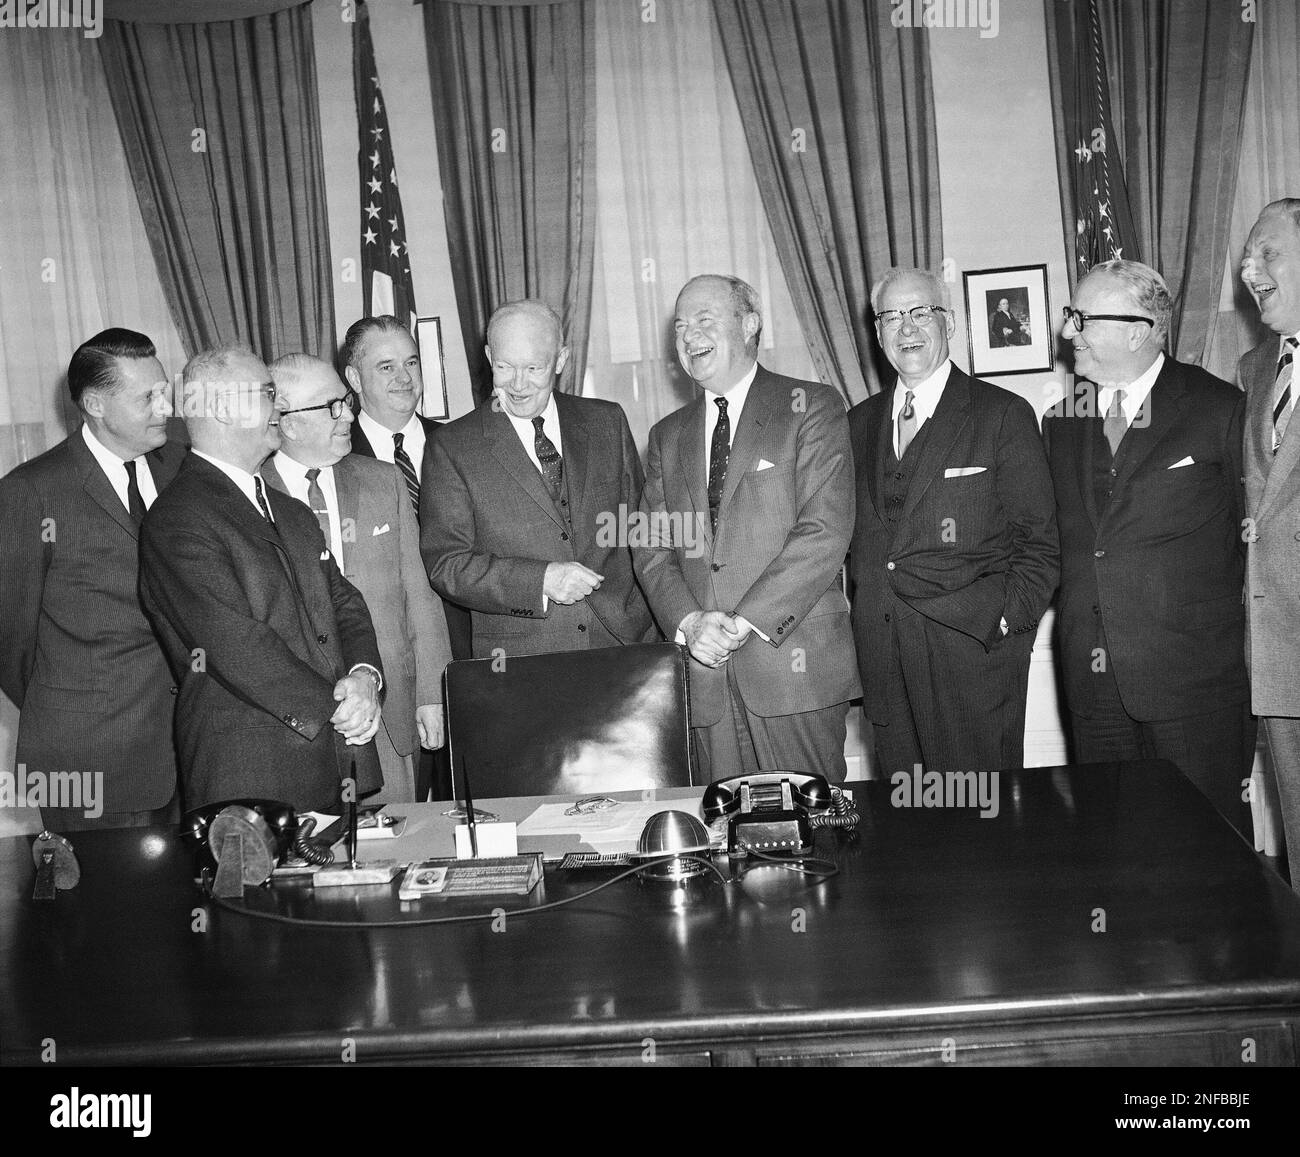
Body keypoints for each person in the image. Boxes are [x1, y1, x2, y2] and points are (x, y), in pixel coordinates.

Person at [1043, 260, 1252, 836]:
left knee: (1209, 853)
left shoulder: (1220, 409)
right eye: (1070, 316)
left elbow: (1252, 541)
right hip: (1093, 686)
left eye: (1081, 318)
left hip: (1195, 686)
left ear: (1138, 330)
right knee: (1115, 848)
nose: (1068, 332)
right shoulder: (1060, 422)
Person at [139, 345, 384, 813]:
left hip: (331, 761)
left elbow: (345, 605)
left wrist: (364, 676)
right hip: (251, 774)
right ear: (223, 408)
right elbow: (234, 642)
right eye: (267, 393)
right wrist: (340, 706)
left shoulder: (289, 511)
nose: (280, 407)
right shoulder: (177, 520)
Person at [634, 274, 860, 782]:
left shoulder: (813, 407)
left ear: (751, 324)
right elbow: (650, 548)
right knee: (722, 838)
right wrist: (691, 623)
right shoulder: (665, 436)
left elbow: (824, 530)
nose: (689, 336)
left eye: (704, 320)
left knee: (811, 834)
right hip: (704, 678)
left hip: (793, 672)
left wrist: (744, 621)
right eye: (680, 327)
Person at [849, 267, 1058, 777]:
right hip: (884, 661)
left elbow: (1040, 545)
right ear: (877, 334)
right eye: (892, 317)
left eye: (921, 313)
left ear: (951, 323)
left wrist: (1004, 621)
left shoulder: (1002, 414)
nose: (907, 328)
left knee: (981, 832)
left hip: (974, 659)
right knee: (910, 826)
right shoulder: (855, 423)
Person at [0, 328, 184, 830]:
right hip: (90, 761)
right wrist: (76, 702)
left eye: (164, 390)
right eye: (148, 396)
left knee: (187, 902)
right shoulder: (30, 492)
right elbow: (11, 641)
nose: (165, 406)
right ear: (96, 404)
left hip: (189, 749)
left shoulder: (181, 465)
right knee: (104, 907)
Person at [263, 354, 452, 803]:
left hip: (391, 710)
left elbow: (419, 594)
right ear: (286, 420)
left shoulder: (383, 481)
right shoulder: (253, 494)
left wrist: (431, 692)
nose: (348, 414)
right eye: (332, 406)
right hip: (299, 722)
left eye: (345, 402)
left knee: (404, 847)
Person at [423, 300, 654, 659]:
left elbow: (641, 532)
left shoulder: (606, 421)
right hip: (521, 663)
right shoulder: (451, 447)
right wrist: (541, 580)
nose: (517, 384)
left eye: (533, 367)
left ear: (561, 360)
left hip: (626, 645)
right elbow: (446, 564)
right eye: (504, 367)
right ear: (488, 356)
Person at [341, 313, 470, 800]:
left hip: (470, 654)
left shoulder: (464, 443)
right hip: (387, 664)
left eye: (411, 362)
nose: (404, 378)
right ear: (354, 379)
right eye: (386, 366)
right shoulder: (333, 456)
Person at [1240, 197, 1300, 885]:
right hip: (1278, 657)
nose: (1250, 269)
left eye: (1267, 252)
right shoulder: (1253, 370)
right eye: (1247, 257)